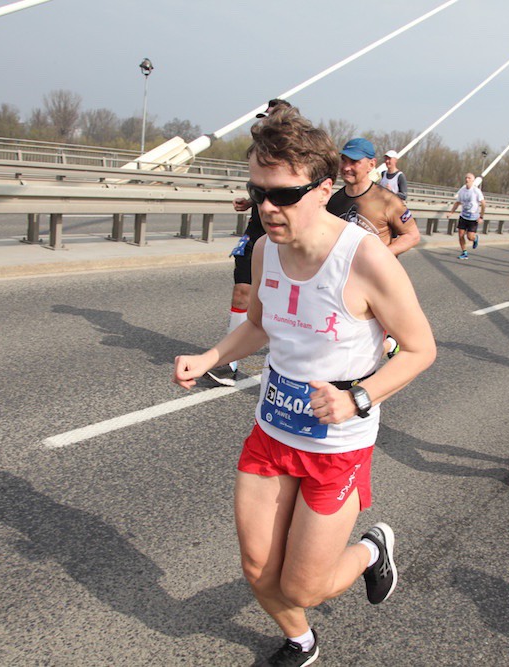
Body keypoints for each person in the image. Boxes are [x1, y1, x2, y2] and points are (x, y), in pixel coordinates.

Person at [173, 107, 436, 666]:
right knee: (256, 568)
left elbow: (421, 350)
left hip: (336, 448)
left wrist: (357, 397)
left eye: (284, 195)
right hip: (271, 433)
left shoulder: (366, 260)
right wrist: (209, 357)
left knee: (304, 587)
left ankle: (371, 551)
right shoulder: (265, 250)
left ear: (323, 189)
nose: (268, 207)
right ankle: (302, 640)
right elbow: (259, 326)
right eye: (258, 192)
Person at [208, 99, 293, 386]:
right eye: (264, 118)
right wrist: (250, 201)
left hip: (284, 238)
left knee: (282, 303)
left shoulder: (299, 159)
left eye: (272, 118)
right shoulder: (258, 155)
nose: (265, 123)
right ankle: (228, 364)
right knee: (242, 292)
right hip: (256, 234)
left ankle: (291, 360)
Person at [327, 137, 421, 256]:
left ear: (371, 165)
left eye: (354, 162)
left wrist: (380, 256)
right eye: (344, 160)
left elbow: (412, 235)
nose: (346, 167)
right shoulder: (334, 201)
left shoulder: (387, 200)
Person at [447, 172, 486, 259]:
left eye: (469, 178)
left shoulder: (476, 191)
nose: (467, 179)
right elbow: (457, 202)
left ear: (473, 180)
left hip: (473, 218)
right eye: (466, 178)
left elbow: (483, 203)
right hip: (463, 216)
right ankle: (464, 253)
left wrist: (481, 217)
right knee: (460, 235)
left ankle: (475, 239)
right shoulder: (462, 190)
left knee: (469, 237)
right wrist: (451, 212)